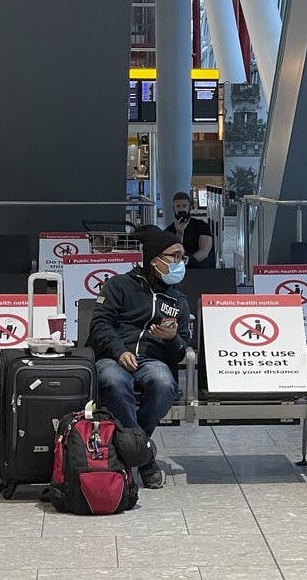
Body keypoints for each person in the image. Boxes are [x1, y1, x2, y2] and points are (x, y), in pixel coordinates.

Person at [88, 227, 192, 489]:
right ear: (155, 258)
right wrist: (119, 351)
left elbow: (182, 350)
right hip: (114, 357)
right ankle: (145, 458)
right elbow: (100, 324)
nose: (180, 263)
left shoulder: (178, 300)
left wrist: (171, 339)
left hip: (151, 360)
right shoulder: (119, 285)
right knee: (112, 379)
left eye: (183, 258)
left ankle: (133, 447)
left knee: (165, 383)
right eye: (175, 256)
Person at [164, 192, 215, 269]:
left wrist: (186, 262)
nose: (181, 209)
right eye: (178, 206)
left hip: (202, 270)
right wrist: (179, 233)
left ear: (189, 208)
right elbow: (172, 253)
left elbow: (204, 252)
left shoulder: (201, 226)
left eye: (184, 206)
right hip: (180, 271)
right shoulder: (168, 231)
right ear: (174, 209)